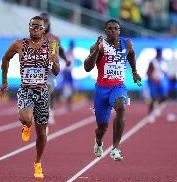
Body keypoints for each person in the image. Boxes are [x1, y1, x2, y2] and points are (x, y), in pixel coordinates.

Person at [0, 16, 59, 179]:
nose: (35, 29)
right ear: (29, 27)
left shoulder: (52, 45)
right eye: (33, 26)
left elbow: (57, 71)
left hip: (42, 92)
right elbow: (5, 59)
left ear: (44, 29)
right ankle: (26, 125)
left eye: (39, 27)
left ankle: (38, 163)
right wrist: (4, 80)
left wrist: (54, 62)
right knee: (26, 117)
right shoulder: (19, 44)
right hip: (26, 90)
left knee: (41, 132)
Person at [84, 19, 141, 161]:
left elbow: (131, 54)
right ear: (105, 31)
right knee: (102, 127)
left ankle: (115, 148)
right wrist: (96, 50)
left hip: (118, 86)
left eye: (116, 28)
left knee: (121, 107)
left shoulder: (126, 43)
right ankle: (98, 141)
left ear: (119, 31)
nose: (113, 31)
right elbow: (87, 67)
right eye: (109, 28)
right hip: (102, 89)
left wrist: (134, 72)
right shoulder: (99, 46)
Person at [40, 12, 70, 124]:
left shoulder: (54, 38)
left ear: (49, 24)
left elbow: (60, 50)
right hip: (37, 69)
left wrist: (65, 59)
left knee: (49, 91)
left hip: (50, 69)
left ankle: (50, 113)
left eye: (46, 21)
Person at [146, 47, 169, 122]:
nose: (161, 54)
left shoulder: (162, 62)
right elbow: (148, 73)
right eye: (160, 53)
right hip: (152, 81)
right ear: (157, 53)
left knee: (164, 96)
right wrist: (153, 79)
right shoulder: (152, 62)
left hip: (160, 81)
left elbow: (164, 71)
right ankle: (150, 115)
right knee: (153, 97)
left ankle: (157, 106)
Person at [62, 40, 75, 111]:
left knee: (71, 88)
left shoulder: (72, 53)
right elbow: (65, 63)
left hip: (70, 72)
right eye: (72, 46)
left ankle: (69, 104)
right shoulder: (67, 53)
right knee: (67, 87)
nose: (73, 47)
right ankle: (67, 103)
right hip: (66, 72)